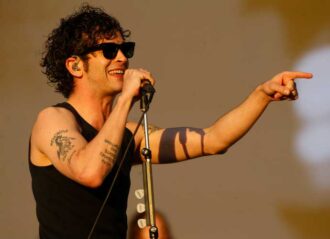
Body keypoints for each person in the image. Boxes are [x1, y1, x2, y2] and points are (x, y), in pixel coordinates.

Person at [29, 4, 312, 239]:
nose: (122, 59)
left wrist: (261, 95)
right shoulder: (53, 119)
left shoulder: (129, 134)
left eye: (125, 50)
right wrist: (127, 97)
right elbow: (90, 171)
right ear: (75, 65)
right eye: (109, 51)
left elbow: (213, 140)